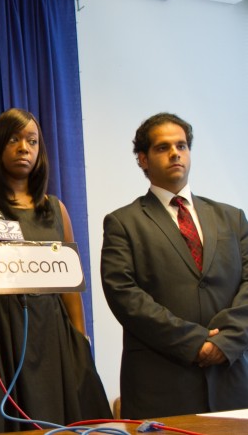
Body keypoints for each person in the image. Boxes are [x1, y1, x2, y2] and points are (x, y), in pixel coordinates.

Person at [0, 108, 111, 432]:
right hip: (3, 329)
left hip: (53, 330)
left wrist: (80, 338)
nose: (24, 148)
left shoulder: (55, 209)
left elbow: (71, 284)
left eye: (32, 141)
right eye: (15, 140)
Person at [100, 112, 248, 419]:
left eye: (181, 145)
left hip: (233, 380)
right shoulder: (123, 223)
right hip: (162, 384)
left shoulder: (232, 218)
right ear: (142, 159)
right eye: (162, 147)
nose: (175, 153)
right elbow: (125, 297)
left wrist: (226, 341)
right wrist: (196, 344)